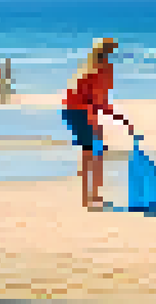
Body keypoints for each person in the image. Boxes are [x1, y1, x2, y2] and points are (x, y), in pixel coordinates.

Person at [62, 38, 135, 210]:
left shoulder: (91, 68)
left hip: (77, 111)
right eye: (110, 52)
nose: (112, 56)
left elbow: (96, 101)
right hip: (79, 112)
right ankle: (90, 197)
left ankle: (91, 195)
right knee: (92, 154)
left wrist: (117, 117)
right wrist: (102, 119)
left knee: (94, 153)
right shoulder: (98, 71)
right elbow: (94, 101)